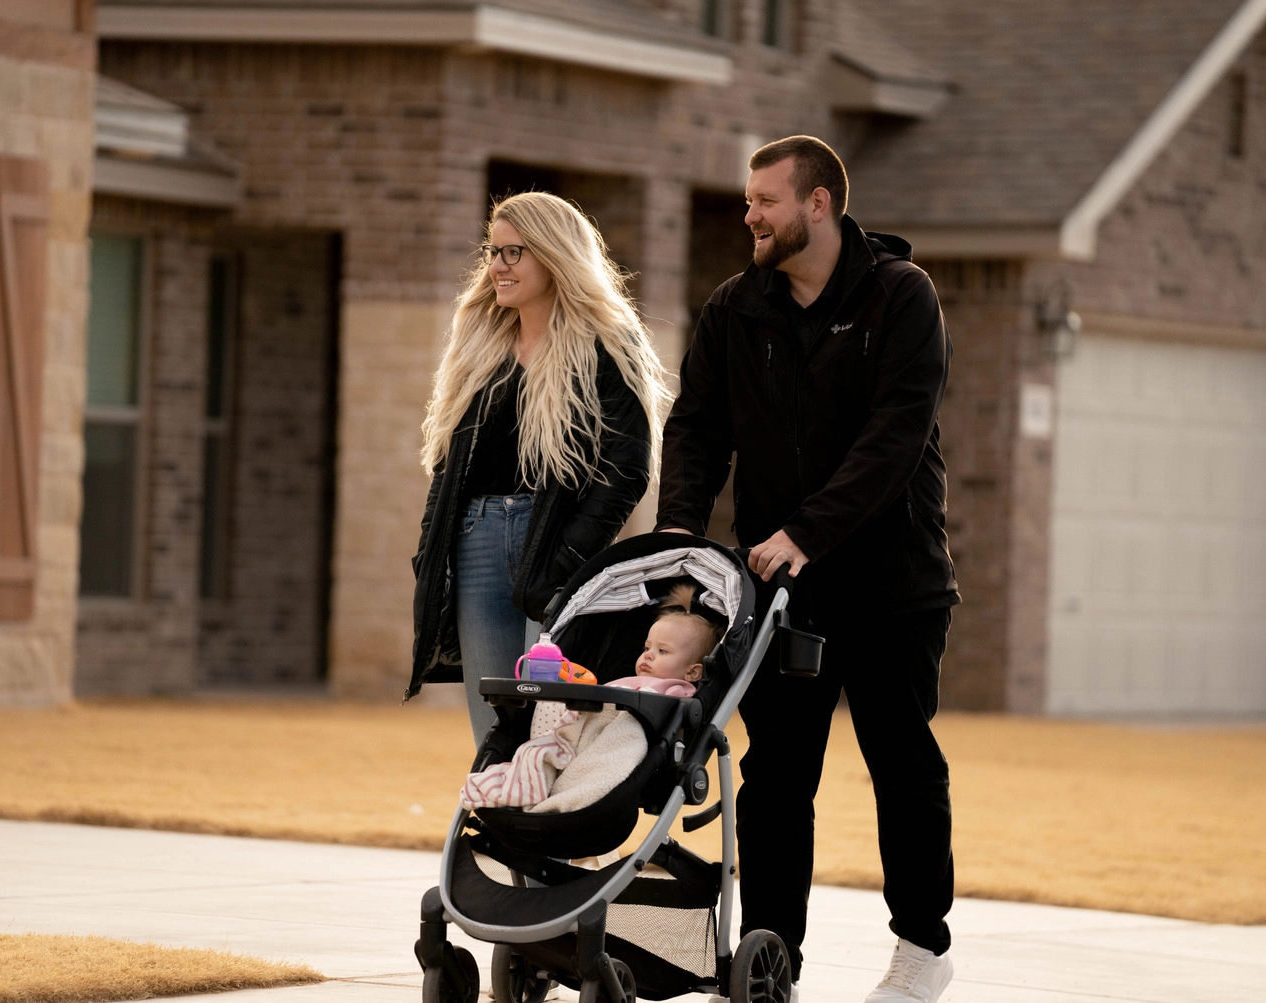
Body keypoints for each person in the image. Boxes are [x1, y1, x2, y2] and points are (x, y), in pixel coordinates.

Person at [657, 135, 960, 1003]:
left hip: (894, 585)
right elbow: (699, 429)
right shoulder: (732, 307)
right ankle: (769, 958)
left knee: (901, 763)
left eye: (765, 200)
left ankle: (922, 949)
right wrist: (680, 531)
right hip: (784, 592)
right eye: (749, 200)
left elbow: (894, 437)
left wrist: (808, 529)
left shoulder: (902, 298)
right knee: (777, 777)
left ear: (818, 203)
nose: (748, 214)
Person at [409, 192, 673, 746]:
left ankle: (548, 830)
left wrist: (569, 558)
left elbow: (625, 467)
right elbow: (448, 464)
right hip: (475, 544)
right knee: (493, 733)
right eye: (492, 251)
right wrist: (429, 549)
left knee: (551, 731)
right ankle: (501, 830)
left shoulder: (605, 342)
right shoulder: (481, 343)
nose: (497, 266)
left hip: (552, 547)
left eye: (513, 253)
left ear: (554, 256)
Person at [461, 583, 720, 812]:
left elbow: (660, 718)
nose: (648, 655)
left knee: (627, 729)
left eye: (662, 651)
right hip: (584, 734)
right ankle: (538, 771)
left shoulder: (677, 690)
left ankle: (568, 790)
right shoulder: (625, 682)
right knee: (552, 701)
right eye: (647, 647)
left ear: (693, 672)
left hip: (625, 738)